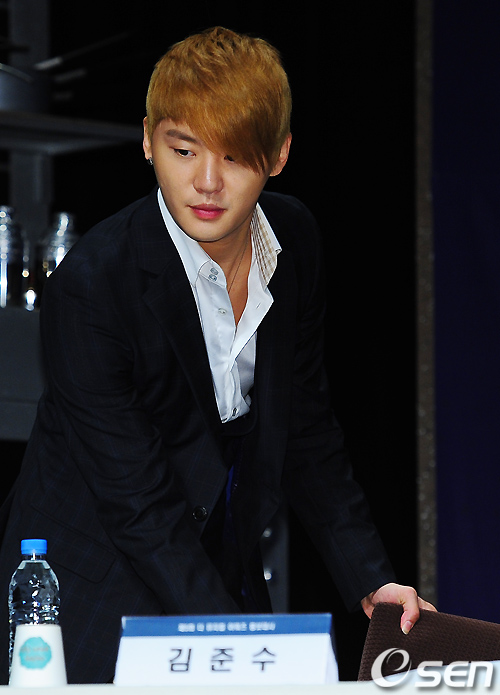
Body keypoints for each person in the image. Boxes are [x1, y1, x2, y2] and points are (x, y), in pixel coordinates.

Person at [0, 26, 434, 684]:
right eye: (183, 150)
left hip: (215, 564)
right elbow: (139, 506)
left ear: (279, 155)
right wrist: (234, 640)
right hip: (90, 588)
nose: (206, 182)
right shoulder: (93, 286)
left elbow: (306, 428)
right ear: (147, 142)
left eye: (234, 156)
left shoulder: (294, 240)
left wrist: (372, 579)